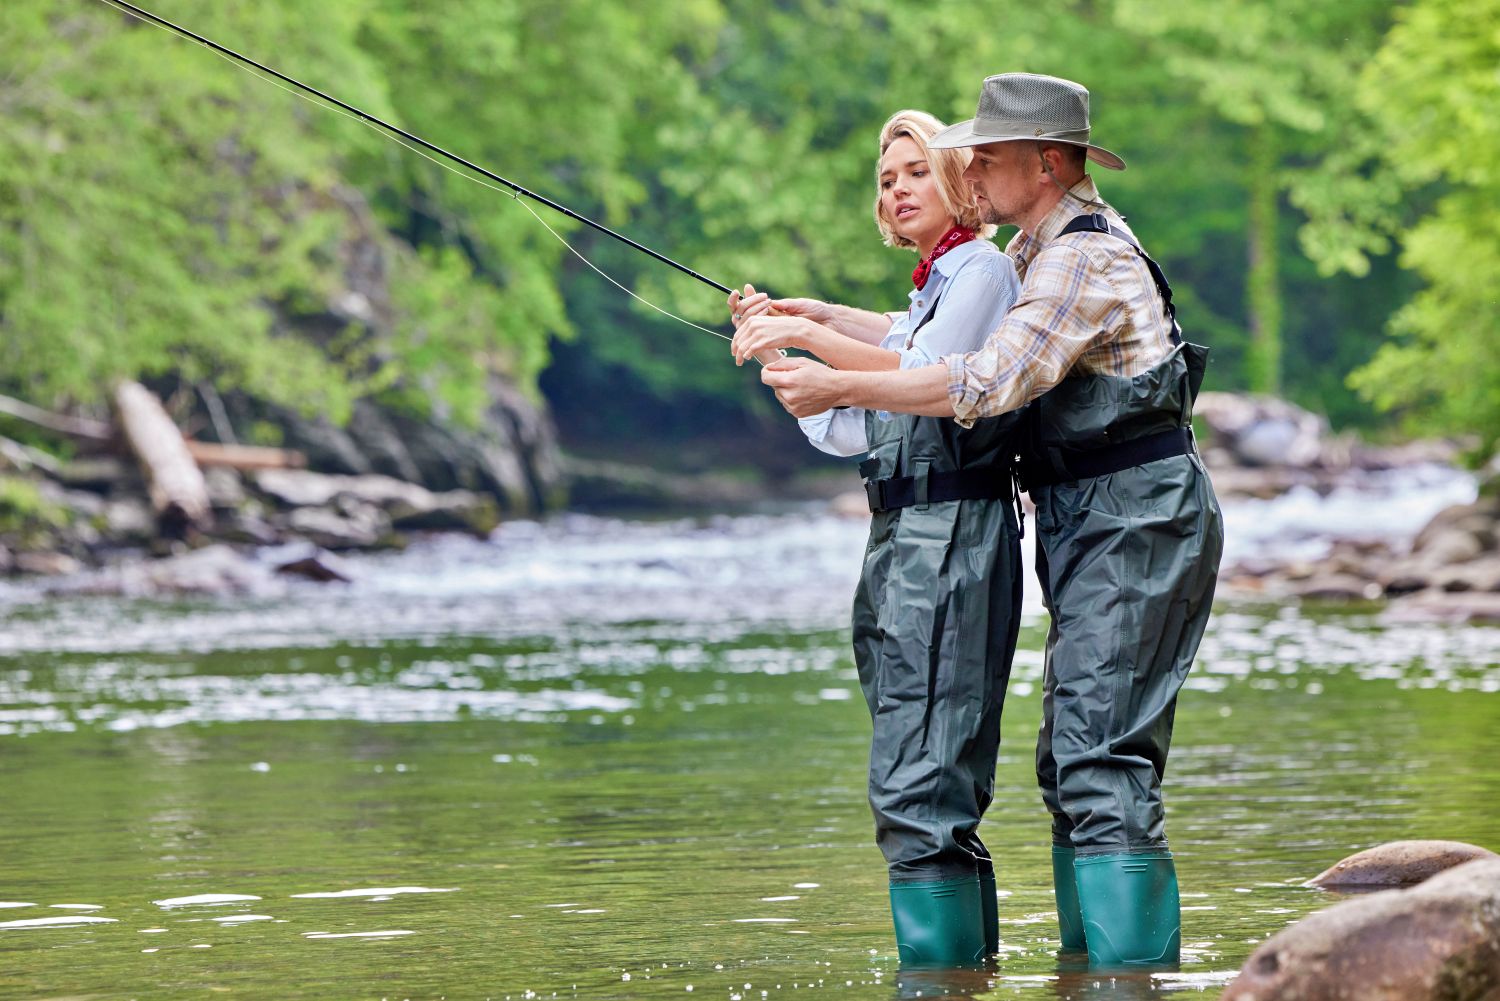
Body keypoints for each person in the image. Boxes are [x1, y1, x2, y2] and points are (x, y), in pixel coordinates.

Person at [752, 73, 1225, 969]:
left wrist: (834, 381)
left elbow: (985, 377)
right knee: (1072, 761)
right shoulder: (1031, 248)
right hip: (1095, 519)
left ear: (1046, 164)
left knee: (1100, 759)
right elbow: (920, 328)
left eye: (990, 154)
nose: (972, 165)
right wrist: (815, 317)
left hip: (1140, 518)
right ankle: (1091, 979)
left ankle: (1131, 984)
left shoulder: (1080, 258)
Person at [728, 110, 1026, 968]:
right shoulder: (937, 286)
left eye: (914, 173)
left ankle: (940, 982)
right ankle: (968, 979)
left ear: (961, 184)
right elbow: (871, 395)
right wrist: (806, 341)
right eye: (886, 179)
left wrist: (812, 339)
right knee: (923, 767)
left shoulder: (977, 271)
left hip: (948, 542)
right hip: (906, 541)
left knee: (920, 781)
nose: (895, 190)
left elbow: (929, 369)